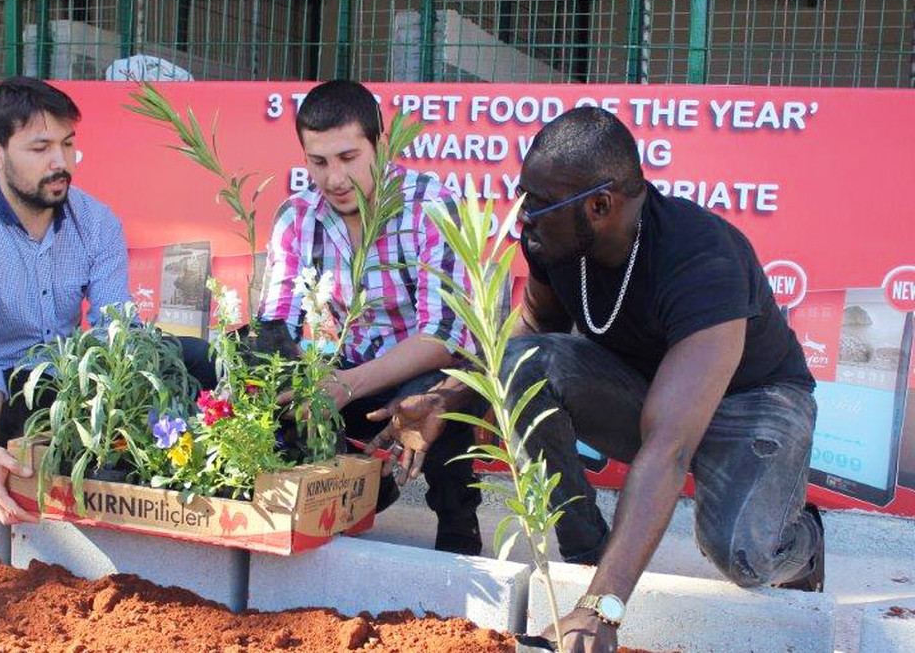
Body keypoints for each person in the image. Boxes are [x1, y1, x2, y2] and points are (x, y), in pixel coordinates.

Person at [375, 106, 823, 652]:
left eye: (538, 204)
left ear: (600, 205)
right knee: (523, 365)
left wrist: (603, 608)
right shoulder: (558, 242)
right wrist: (447, 395)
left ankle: (801, 541)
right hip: (644, 391)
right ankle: (589, 552)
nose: (523, 218)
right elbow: (531, 332)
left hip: (753, 402)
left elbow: (669, 446)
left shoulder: (704, 258)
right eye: (523, 197)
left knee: (745, 556)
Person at [0, 76, 213, 526]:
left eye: (68, 144)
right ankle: (43, 449)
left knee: (196, 359)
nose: (60, 162)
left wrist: (124, 387)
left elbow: (117, 331)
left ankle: (107, 443)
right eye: (41, 149)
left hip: (65, 382)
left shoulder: (96, 222)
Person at [256, 79, 483, 555]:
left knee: (436, 393)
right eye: (318, 162)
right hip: (345, 369)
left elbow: (443, 338)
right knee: (259, 370)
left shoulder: (429, 206)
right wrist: (284, 382)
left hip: (421, 369)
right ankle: (340, 494)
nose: (334, 178)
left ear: (379, 143)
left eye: (348, 157)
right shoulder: (296, 216)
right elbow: (276, 323)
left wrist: (347, 384)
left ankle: (458, 520)